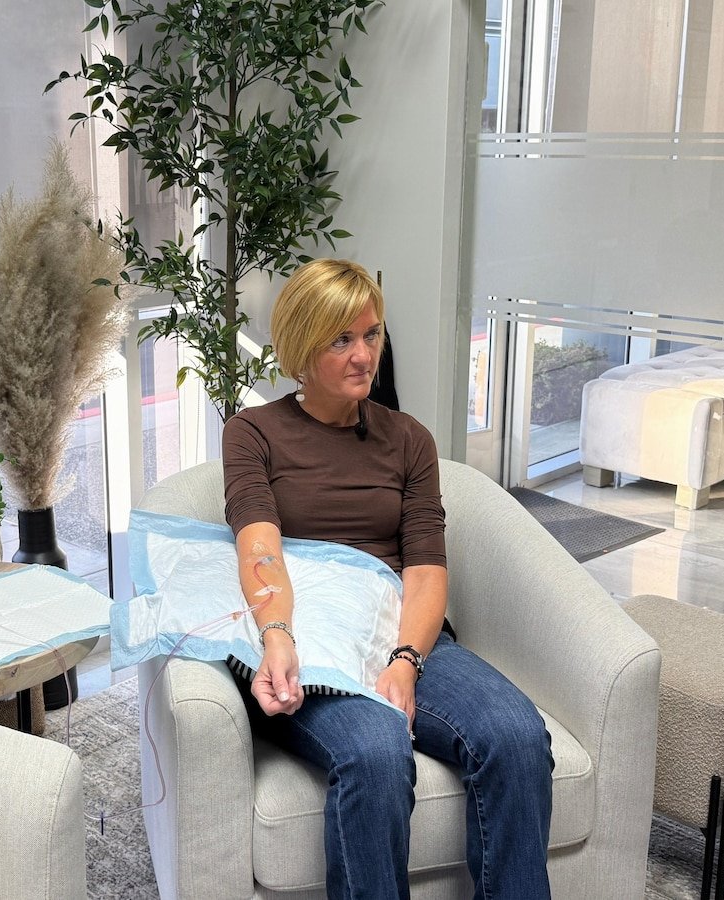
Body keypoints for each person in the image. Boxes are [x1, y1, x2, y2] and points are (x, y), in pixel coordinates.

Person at [221, 258, 554, 899]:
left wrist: (406, 661)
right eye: (341, 340)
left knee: (515, 735)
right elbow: (258, 546)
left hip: (401, 630)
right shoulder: (253, 433)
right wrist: (278, 635)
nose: (363, 355)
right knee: (375, 751)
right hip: (308, 638)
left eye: (371, 335)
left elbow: (426, 569)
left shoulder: (408, 440)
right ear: (300, 346)